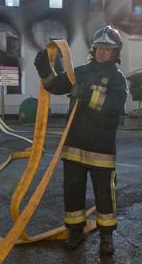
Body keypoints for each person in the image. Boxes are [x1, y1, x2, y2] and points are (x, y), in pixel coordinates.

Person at [34, 26, 127, 256]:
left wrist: (88, 96)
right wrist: (45, 69)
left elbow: (115, 106)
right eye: (99, 47)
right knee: (72, 192)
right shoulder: (81, 72)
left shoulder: (117, 78)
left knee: (104, 195)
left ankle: (106, 238)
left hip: (101, 150)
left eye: (108, 48)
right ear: (93, 48)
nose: (102, 52)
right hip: (74, 146)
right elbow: (55, 86)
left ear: (115, 53)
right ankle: (75, 232)